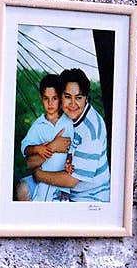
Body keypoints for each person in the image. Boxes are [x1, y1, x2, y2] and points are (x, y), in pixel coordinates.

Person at [29, 68, 110, 202]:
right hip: (66, 189)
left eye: (78, 97)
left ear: (86, 98)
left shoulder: (90, 132)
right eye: (67, 97)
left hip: (88, 198)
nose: (72, 104)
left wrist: (39, 175)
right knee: (23, 190)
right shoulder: (65, 118)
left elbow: (71, 181)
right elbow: (32, 160)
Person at [15, 73, 74, 202]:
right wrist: (38, 148)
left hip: (62, 175)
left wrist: (69, 161)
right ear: (41, 98)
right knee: (25, 191)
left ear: (61, 98)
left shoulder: (69, 122)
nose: (50, 103)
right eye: (46, 98)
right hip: (44, 175)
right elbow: (25, 148)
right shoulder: (38, 125)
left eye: (55, 98)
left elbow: (74, 148)